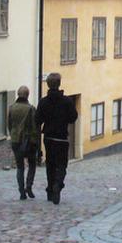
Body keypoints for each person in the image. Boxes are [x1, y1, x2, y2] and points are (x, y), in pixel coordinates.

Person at [35, 73, 77, 205]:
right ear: (59, 84)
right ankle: (58, 185)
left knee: (50, 164)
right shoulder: (67, 101)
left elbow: (37, 120)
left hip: (48, 137)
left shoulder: (43, 102)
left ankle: (50, 191)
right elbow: (73, 117)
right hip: (62, 138)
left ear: (48, 84)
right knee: (61, 165)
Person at [8, 85, 39, 200]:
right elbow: (34, 127)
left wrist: (13, 135)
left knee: (20, 167)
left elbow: (9, 125)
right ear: (27, 95)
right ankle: (29, 186)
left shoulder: (11, 108)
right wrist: (36, 142)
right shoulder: (30, 109)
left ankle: (21, 191)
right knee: (32, 164)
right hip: (28, 141)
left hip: (16, 141)